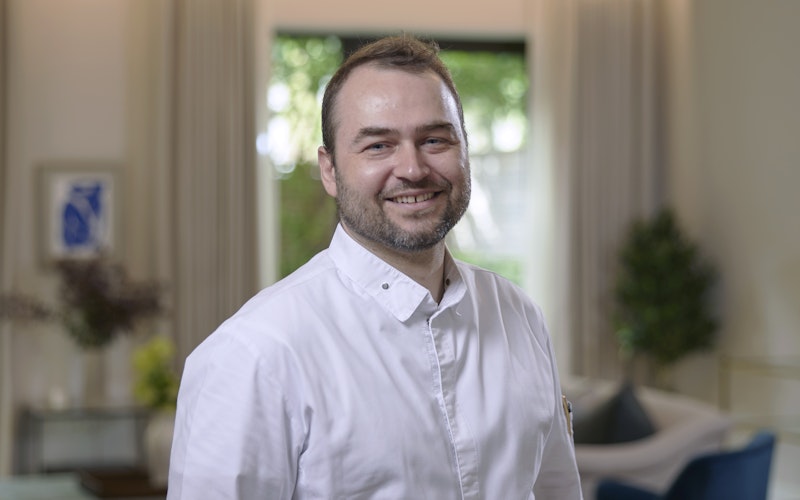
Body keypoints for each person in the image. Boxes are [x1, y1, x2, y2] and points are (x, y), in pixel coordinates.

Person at [168, 34, 583, 499]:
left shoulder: (518, 316)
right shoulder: (253, 356)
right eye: (378, 146)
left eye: (434, 139)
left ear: (465, 150)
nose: (412, 168)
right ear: (329, 170)